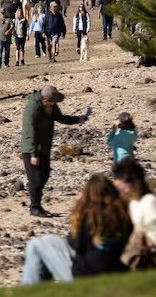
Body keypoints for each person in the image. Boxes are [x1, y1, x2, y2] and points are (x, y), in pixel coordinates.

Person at [20, 174, 131, 284]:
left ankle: (29, 293)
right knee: (48, 239)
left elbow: (74, 243)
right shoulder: (124, 218)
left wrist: (79, 208)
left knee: (35, 245)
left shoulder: (90, 218)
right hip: (116, 272)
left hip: (84, 277)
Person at [21, 84, 90, 217]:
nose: (54, 105)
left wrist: (78, 119)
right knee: (36, 179)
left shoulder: (52, 106)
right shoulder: (33, 108)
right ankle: (34, 207)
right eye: (53, 103)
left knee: (45, 174)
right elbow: (30, 132)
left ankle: (36, 204)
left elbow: (61, 118)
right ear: (46, 101)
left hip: (45, 146)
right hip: (31, 148)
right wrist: (33, 154)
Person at [113, 158, 156, 270]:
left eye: (121, 188)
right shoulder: (133, 203)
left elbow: (155, 233)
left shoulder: (149, 201)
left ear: (134, 183)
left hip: (146, 258)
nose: (120, 192)